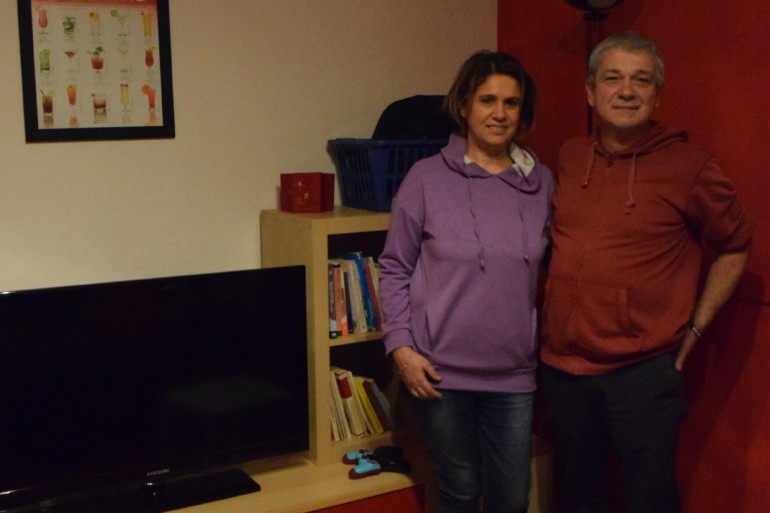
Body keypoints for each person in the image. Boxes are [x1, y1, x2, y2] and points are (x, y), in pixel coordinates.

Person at [540, 30, 754, 513]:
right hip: (562, 372)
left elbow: (736, 245)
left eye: (641, 80)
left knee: (648, 500)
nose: (626, 91)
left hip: (641, 375)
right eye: (612, 78)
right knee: (577, 499)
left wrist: (696, 328)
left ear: (658, 95)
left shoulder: (690, 167)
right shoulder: (571, 157)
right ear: (590, 91)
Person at [378, 50, 554, 513]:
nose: (499, 113)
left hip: (513, 375)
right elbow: (394, 267)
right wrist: (401, 349)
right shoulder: (425, 178)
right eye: (487, 100)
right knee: (459, 489)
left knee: (511, 498)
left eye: (511, 103)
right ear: (464, 105)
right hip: (439, 376)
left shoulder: (542, 185)